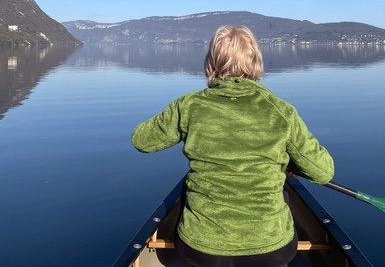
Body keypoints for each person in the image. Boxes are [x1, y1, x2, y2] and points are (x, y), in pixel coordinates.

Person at [131, 25, 334, 267]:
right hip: (270, 248)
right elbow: (323, 172)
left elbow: (141, 140)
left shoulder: (189, 106)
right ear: (256, 61)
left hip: (200, 246)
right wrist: (290, 163)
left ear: (211, 63)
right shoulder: (281, 111)